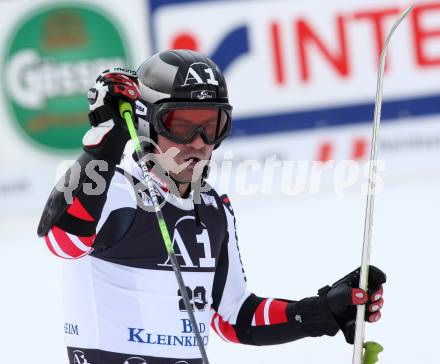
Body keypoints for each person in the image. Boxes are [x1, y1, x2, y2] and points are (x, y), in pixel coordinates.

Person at [37, 49, 386, 364]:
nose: (199, 143)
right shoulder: (113, 188)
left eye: (212, 125)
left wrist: (320, 312)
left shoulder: (214, 207)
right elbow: (59, 239)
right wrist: (104, 148)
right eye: (181, 125)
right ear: (147, 121)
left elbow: (233, 317)